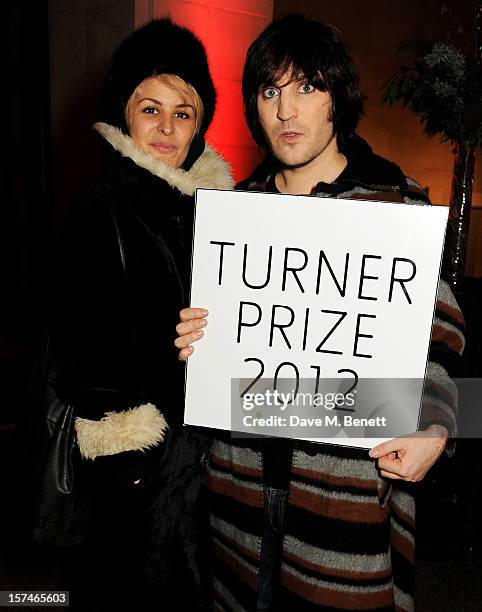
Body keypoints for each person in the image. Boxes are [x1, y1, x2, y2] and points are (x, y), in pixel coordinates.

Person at [174, 14, 465, 612]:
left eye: (307, 87)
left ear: (338, 97)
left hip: (347, 507)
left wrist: (439, 426)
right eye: (270, 91)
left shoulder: (395, 205)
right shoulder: (236, 215)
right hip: (238, 505)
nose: (287, 112)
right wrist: (191, 344)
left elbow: (445, 348)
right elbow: (213, 371)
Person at [49, 18, 233, 612]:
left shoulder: (211, 214)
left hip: (199, 461)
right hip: (141, 471)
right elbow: (83, 363)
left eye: (183, 113)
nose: (165, 128)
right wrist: (170, 352)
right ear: (123, 113)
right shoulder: (99, 213)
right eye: (149, 107)